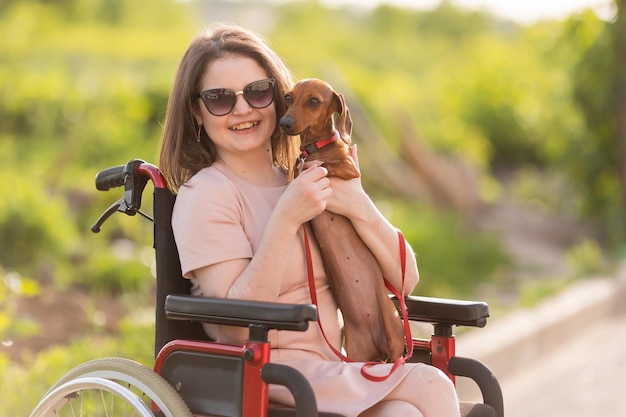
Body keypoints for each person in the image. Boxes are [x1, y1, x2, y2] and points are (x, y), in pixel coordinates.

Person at [159, 22, 461, 417]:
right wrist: (284, 219)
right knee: (430, 385)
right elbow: (234, 328)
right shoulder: (206, 197)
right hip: (269, 374)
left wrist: (357, 204)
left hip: (335, 365)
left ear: (279, 99)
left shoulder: (310, 178)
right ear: (197, 112)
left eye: (257, 92)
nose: (243, 109)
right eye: (219, 99)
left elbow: (406, 280)